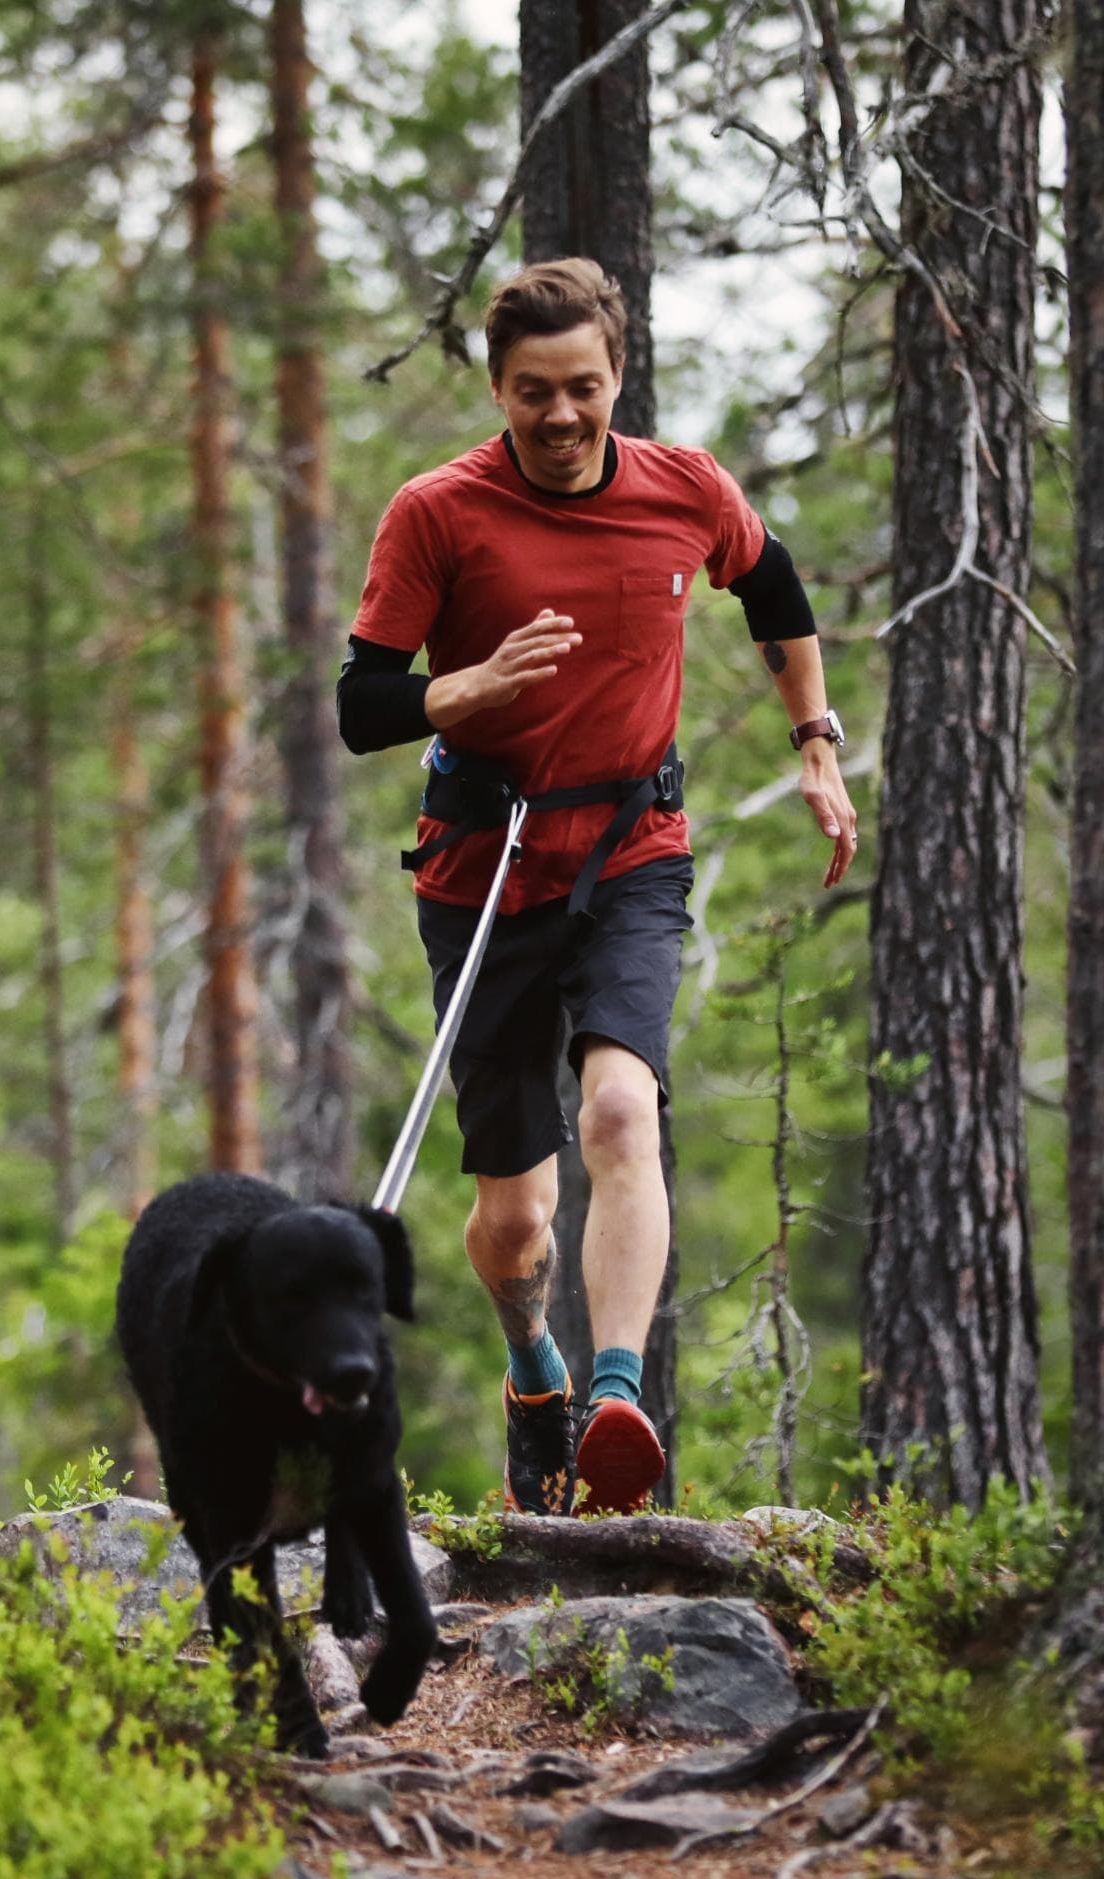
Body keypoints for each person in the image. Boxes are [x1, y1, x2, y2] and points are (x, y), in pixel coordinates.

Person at [339, 258, 859, 1517]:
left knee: (624, 1113)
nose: (562, 416)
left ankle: (619, 1396)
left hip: (632, 848)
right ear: (498, 389)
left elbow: (774, 590)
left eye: (584, 388)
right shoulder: (437, 512)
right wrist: (457, 692)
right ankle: (537, 1374)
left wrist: (816, 743)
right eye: (533, 394)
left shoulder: (685, 488)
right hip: (487, 869)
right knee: (514, 1218)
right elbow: (363, 705)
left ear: (619, 375)